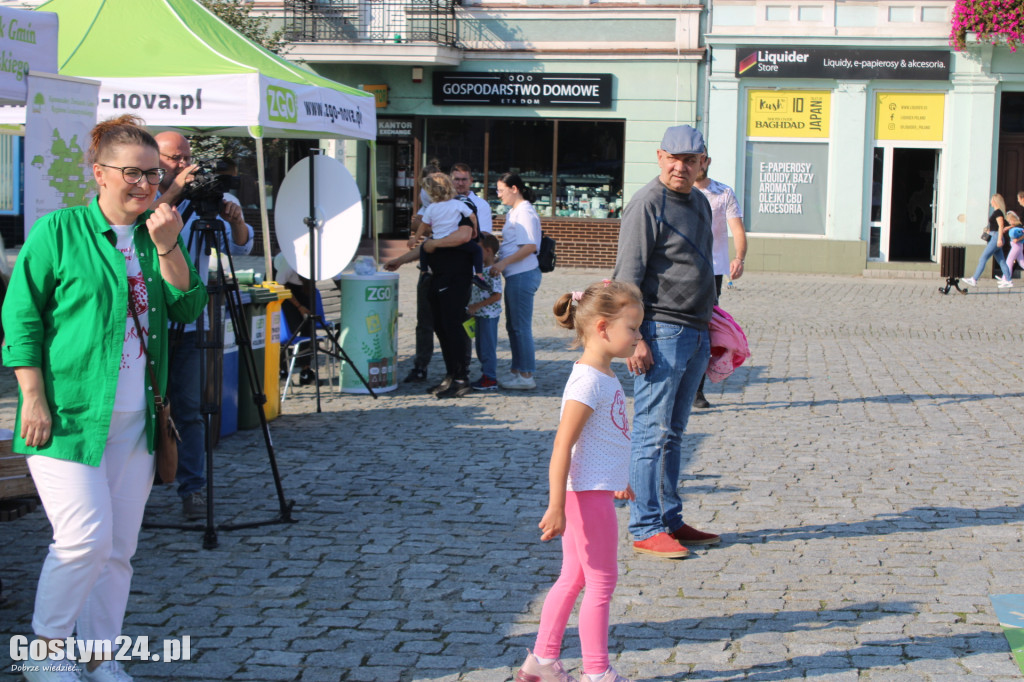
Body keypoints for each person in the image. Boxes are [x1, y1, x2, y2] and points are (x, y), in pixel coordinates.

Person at [2, 115, 208, 682]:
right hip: (67, 417)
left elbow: (188, 309)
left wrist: (169, 248)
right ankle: (45, 653)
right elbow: (21, 319)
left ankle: (99, 655)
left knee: (118, 547)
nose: (144, 184)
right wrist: (33, 397)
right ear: (99, 173)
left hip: (137, 421)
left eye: (152, 173)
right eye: (132, 173)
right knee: (82, 538)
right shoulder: (60, 231)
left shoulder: (156, 235)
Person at [514, 280, 642, 682]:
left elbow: (604, 436)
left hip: (593, 492)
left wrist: (618, 478)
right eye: (633, 328)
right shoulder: (588, 380)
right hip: (584, 499)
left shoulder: (603, 374)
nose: (638, 336)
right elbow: (562, 446)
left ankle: (542, 662)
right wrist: (555, 505)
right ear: (603, 328)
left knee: (574, 577)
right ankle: (598, 672)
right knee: (601, 583)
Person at [612, 124, 721, 559]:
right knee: (651, 433)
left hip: (696, 329)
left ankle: (670, 519)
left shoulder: (699, 202)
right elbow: (626, 279)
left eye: (689, 160)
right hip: (661, 330)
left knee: (674, 433)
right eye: (673, 158)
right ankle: (645, 526)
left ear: (702, 163)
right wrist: (634, 337)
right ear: (659, 157)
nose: (680, 167)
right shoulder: (646, 204)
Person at [152, 132, 255, 519]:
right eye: (173, 159)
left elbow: (241, 247)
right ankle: (135, 486)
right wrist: (175, 191)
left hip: (191, 320)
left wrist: (238, 221)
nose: (182, 165)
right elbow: (141, 232)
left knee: (191, 410)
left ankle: (192, 489)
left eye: (185, 158)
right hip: (147, 324)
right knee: (139, 408)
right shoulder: (146, 197)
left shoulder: (204, 202)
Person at [692, 155, 747, 409]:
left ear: (708, 161)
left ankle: (697, 391)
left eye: (700, 160)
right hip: (682, 267)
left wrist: (739, 257)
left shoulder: (723, 192)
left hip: (712, 269)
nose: (697, 165)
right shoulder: (678, 190)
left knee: (706, 327)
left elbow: (737, 229)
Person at [491, 172, 543, 390]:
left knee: (520, 327)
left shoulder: (525, 212)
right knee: (513, 326)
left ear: (514, 189)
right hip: (516, 274)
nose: (498, 195)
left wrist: (503, 263)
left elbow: (530, 246)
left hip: (522, 273)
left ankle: (526, 375)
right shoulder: (515, 212)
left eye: (501, 190)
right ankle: (518, 370)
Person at [409, 172, 483, 279]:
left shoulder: (431, 207)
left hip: (437, 237)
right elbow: (472, 216)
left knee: (423, 249)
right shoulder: (458, 203)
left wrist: (415, 239)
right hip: (454, 238)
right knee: (477, 250)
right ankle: (479, 275)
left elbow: (423, 226)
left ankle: (424, 272)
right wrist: (475, 229)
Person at [467, 233, 503, 390]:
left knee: (487, 347)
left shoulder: (492, 272)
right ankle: (486, 375)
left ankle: (490, 378)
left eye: (478, 250)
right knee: (481, 347)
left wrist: (477, 306)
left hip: (488, 316)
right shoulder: (481, 270)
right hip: (481, 315)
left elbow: (497, 295)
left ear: (488, 251)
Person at [962, 194, 1012, 289]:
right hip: (994, 236)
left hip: (995, 237)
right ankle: (1008, 280)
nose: (990, 201)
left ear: (995, 201)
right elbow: (997, 226)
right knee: (1001, 261)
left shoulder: (998, 213)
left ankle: (974, 279)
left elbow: (1001, 226)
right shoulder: (997, 212)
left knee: (983, 258)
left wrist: (999, 239)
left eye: (992, 200)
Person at [1004, 211, 1024, 276]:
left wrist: (1017, 239)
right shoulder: (1017, 226)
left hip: (1016, 245)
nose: (1009, 222)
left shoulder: (1019, 227)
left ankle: (1007, 278)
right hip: (1017, 246)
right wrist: (1009, 227)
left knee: (1009, 260)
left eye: (1009, 221)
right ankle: (1006, 278)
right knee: (1022, 262)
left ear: (1013, 220)